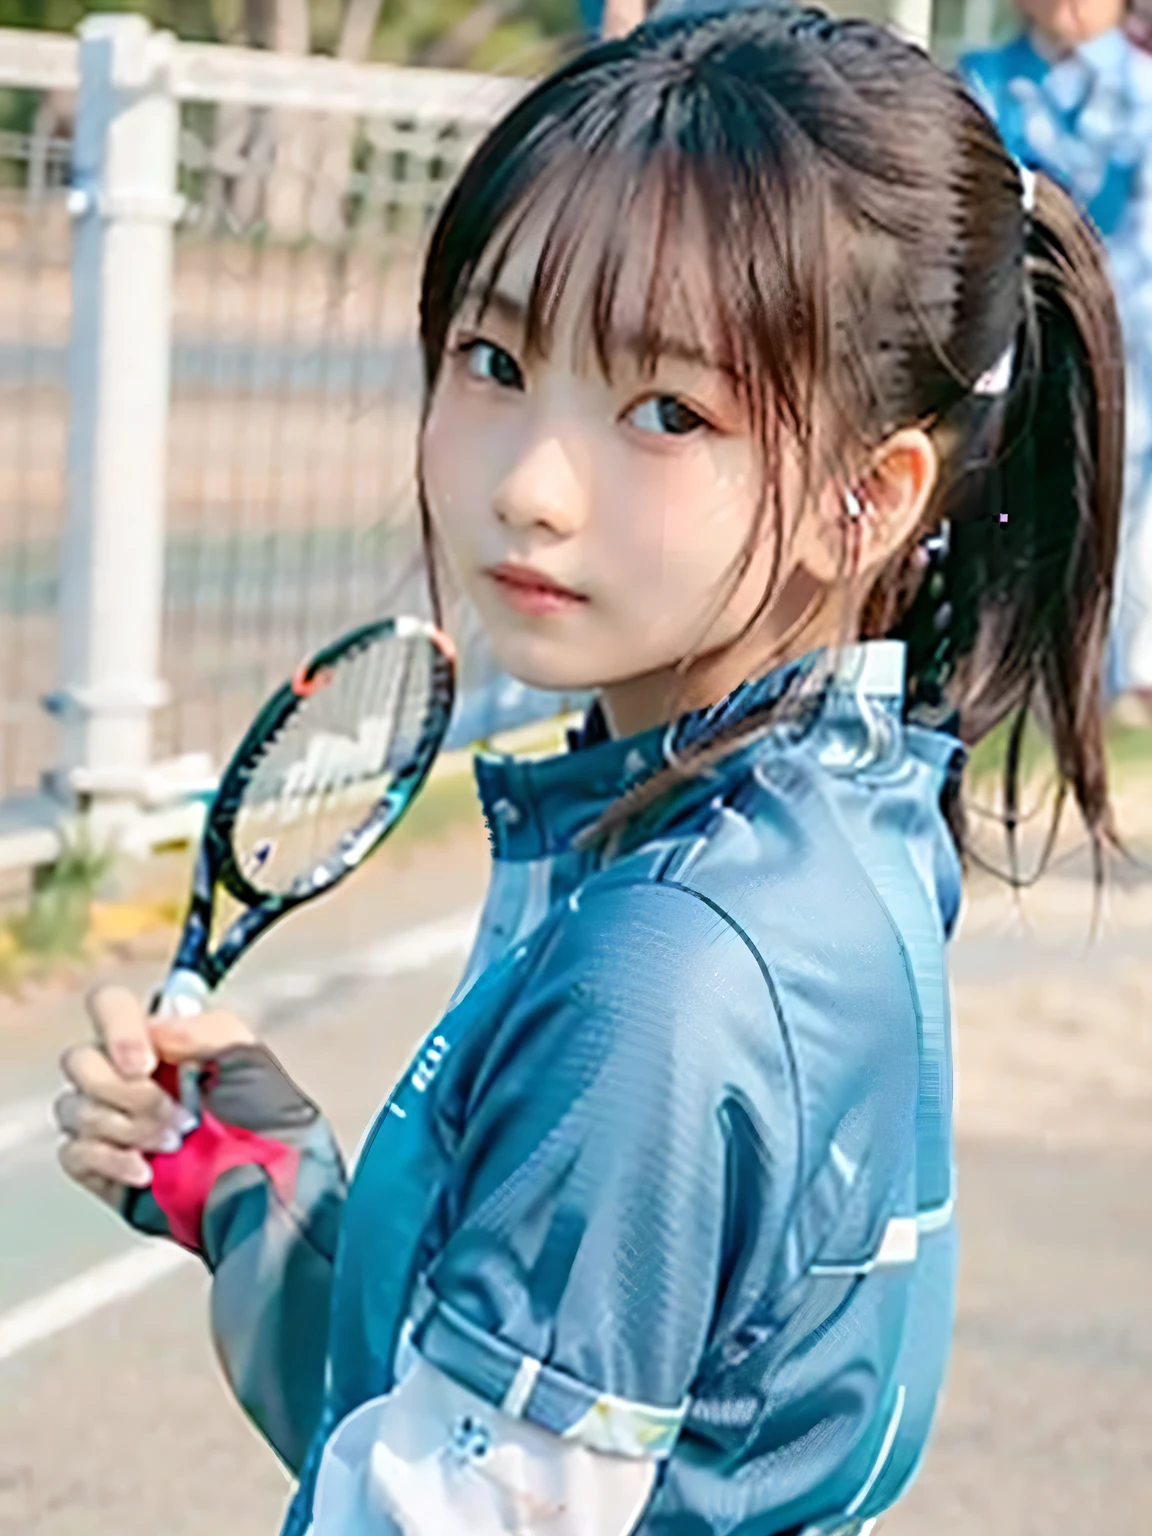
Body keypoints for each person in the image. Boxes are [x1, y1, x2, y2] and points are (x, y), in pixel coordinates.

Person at [53, 5, 1125, 1534]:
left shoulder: (665, 971)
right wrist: (255, 1193)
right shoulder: (843, 813)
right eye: (493, 359)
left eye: (667, 411)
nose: (533, 486)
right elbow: (521, 1450)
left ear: (867, 496)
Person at [960, 0, 1152, 723]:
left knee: (1113, 503)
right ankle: (998, 667)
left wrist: (1089, 313)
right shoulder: (981, 80)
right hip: (1008, 336)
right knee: (1001, 495)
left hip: (1127, 344)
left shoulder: (1143, 89)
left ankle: (1102, 680)